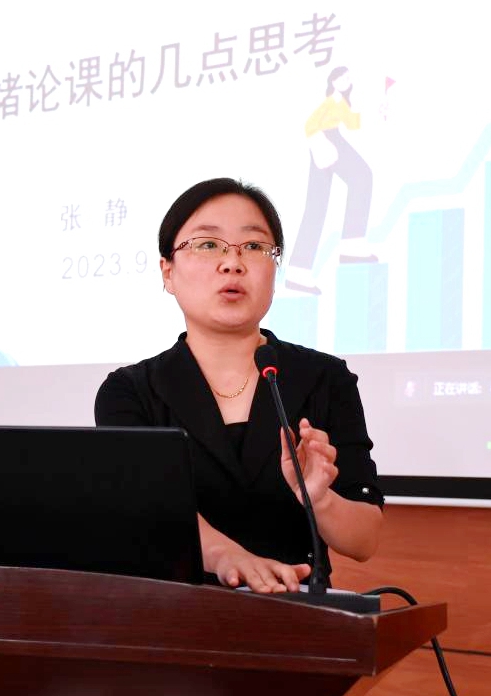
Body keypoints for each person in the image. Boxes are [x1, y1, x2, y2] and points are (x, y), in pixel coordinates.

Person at [95, 178, 384, 594]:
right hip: (171, 613)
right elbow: (151, 510)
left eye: (253, 246)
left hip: (295, 613)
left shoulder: (324, 378)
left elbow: (364, 541)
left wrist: (319, 498)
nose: (232, 263)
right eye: (208, 245)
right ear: (168, 272)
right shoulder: (131, 392)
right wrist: (227, 556)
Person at [286, 66, 377, 296]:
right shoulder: (329, 102)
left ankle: (348, 246)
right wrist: (319, 144)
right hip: (324, 141)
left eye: (349, 77)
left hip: (332, 138)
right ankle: (301, 270)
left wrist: (359, 106)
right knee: (358, 179)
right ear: (333, 81)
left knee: (322, 201)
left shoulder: (342, 103)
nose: (347, 80)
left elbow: (353, 124)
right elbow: (310, 124)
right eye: (343, 77)